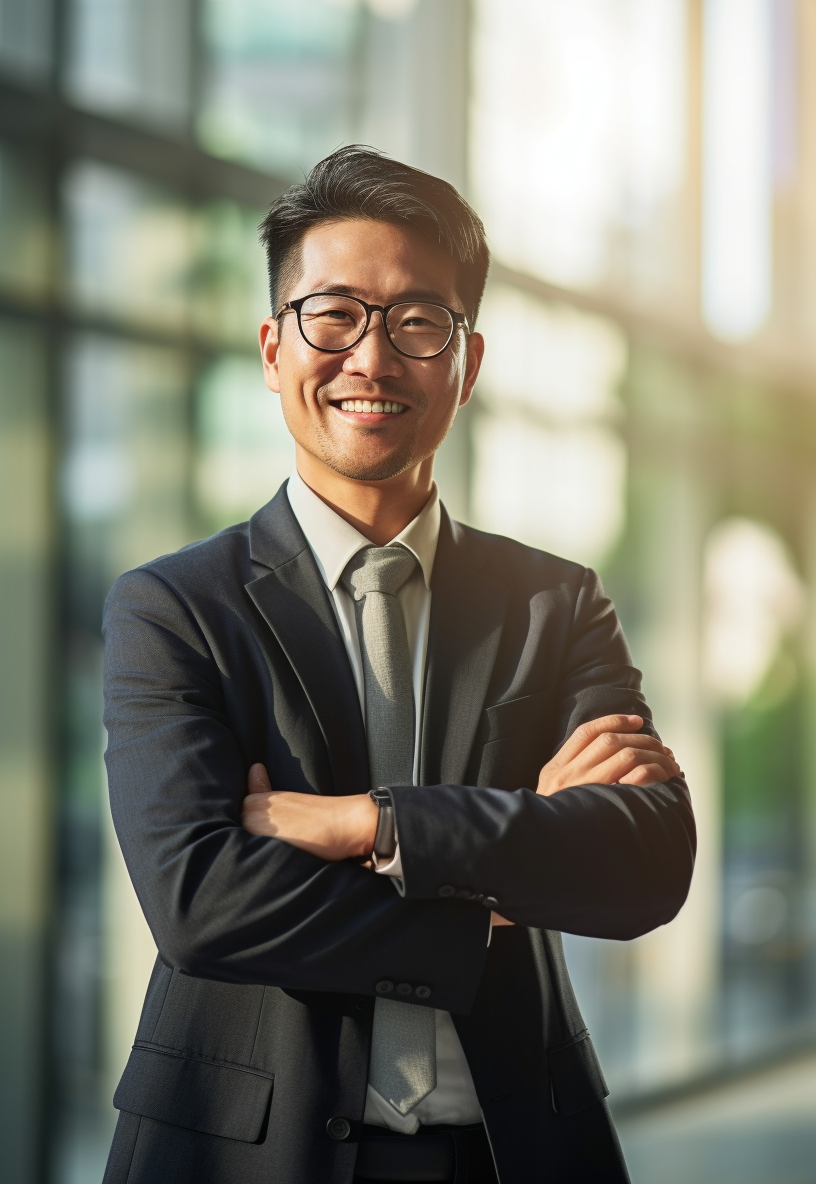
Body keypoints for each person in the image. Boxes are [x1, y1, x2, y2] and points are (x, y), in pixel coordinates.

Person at [102, 146, 695, 1184]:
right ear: (274, 347)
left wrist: (366, 823)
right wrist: (494, 893)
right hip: (245, 1156)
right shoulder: (174, 608)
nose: (372, 359)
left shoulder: (554, 603)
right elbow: (201, 898)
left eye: (419, 321)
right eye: (334, 314)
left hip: (511, 1151)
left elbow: (645, 859)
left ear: (467, 362)